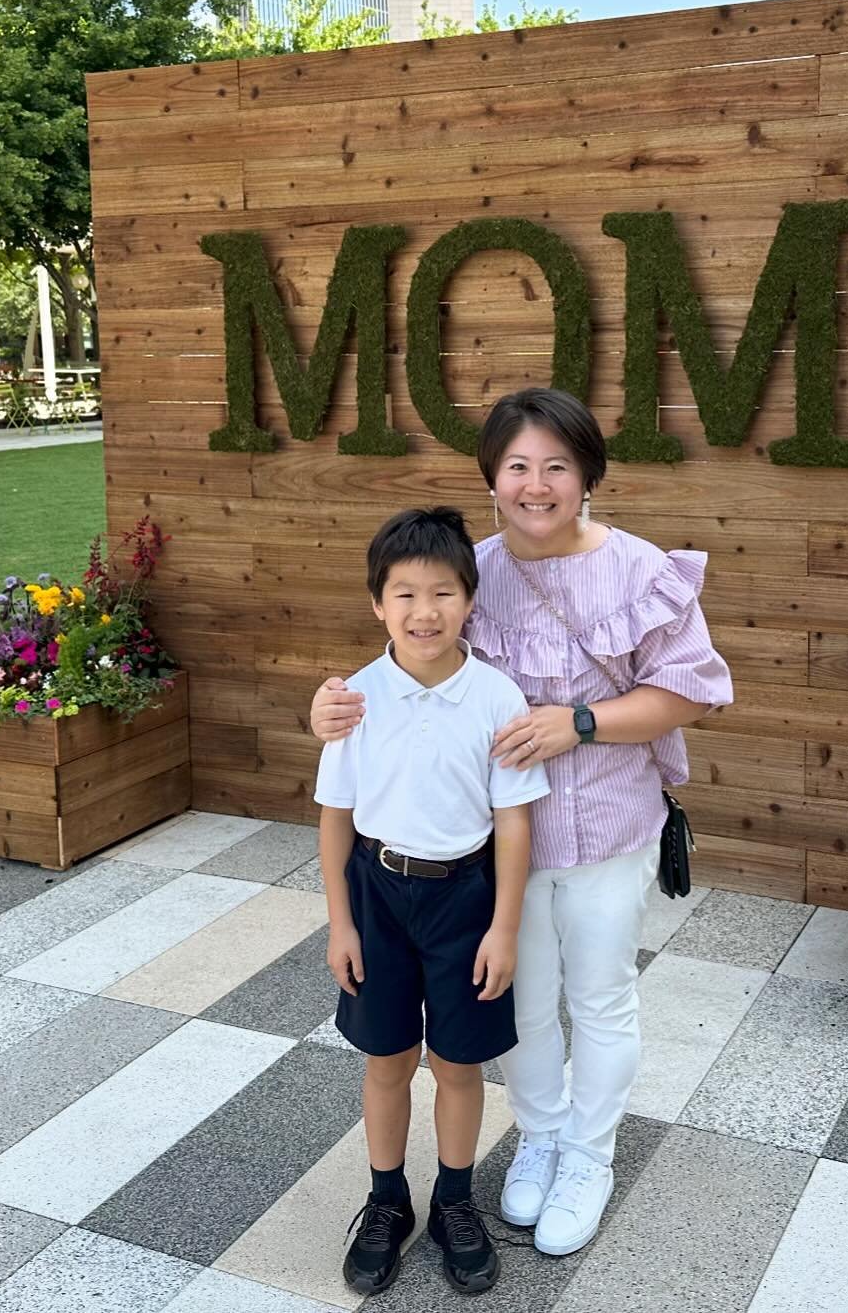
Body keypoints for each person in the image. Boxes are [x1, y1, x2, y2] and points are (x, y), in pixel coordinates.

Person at [311, 388, 732, 1259]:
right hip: (499, 843)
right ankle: (539, 1134)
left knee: (602, 996)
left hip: (610, 825)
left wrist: (578, 721)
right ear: (490, 480)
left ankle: (589, 1152)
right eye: (516, 467)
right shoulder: (474, 570)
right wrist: (329, 704)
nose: (535, 485)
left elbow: (689, 689)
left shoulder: (640, 569)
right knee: (521, 1000)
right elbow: (412, 663)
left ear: (586, 476)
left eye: (555, 467)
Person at [316, 507, 549, 1297]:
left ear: (469, 601)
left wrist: (504, 927)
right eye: (404, 593)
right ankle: (388, 1200)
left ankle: (454, 1199)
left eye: (443, 592)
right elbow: (336, 816)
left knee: (457, 1061)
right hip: (377, 896)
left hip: (464, 898)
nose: (424, 611)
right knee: (387, 1058)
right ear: (377, 603)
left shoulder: (495, 695)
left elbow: (514, 822)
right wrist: (340, 922)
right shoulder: (355, 698)